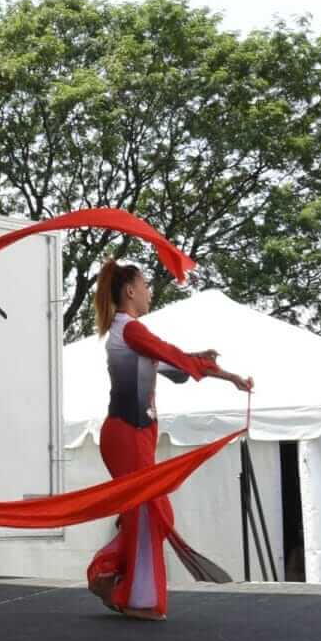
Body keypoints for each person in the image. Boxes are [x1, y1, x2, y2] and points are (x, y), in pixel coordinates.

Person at [85, 261, 252, 621]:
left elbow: (173, 368)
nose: (149, 292)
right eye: (145, 285)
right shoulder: (130, 330)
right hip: (126, 434)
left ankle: (108, 573)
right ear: (130, 290)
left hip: (134, 435)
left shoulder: (129, 335)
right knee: (149, 513)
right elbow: (171, 354)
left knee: (150, 511)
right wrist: (213, 368)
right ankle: (137, 597)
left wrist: (226, 375)